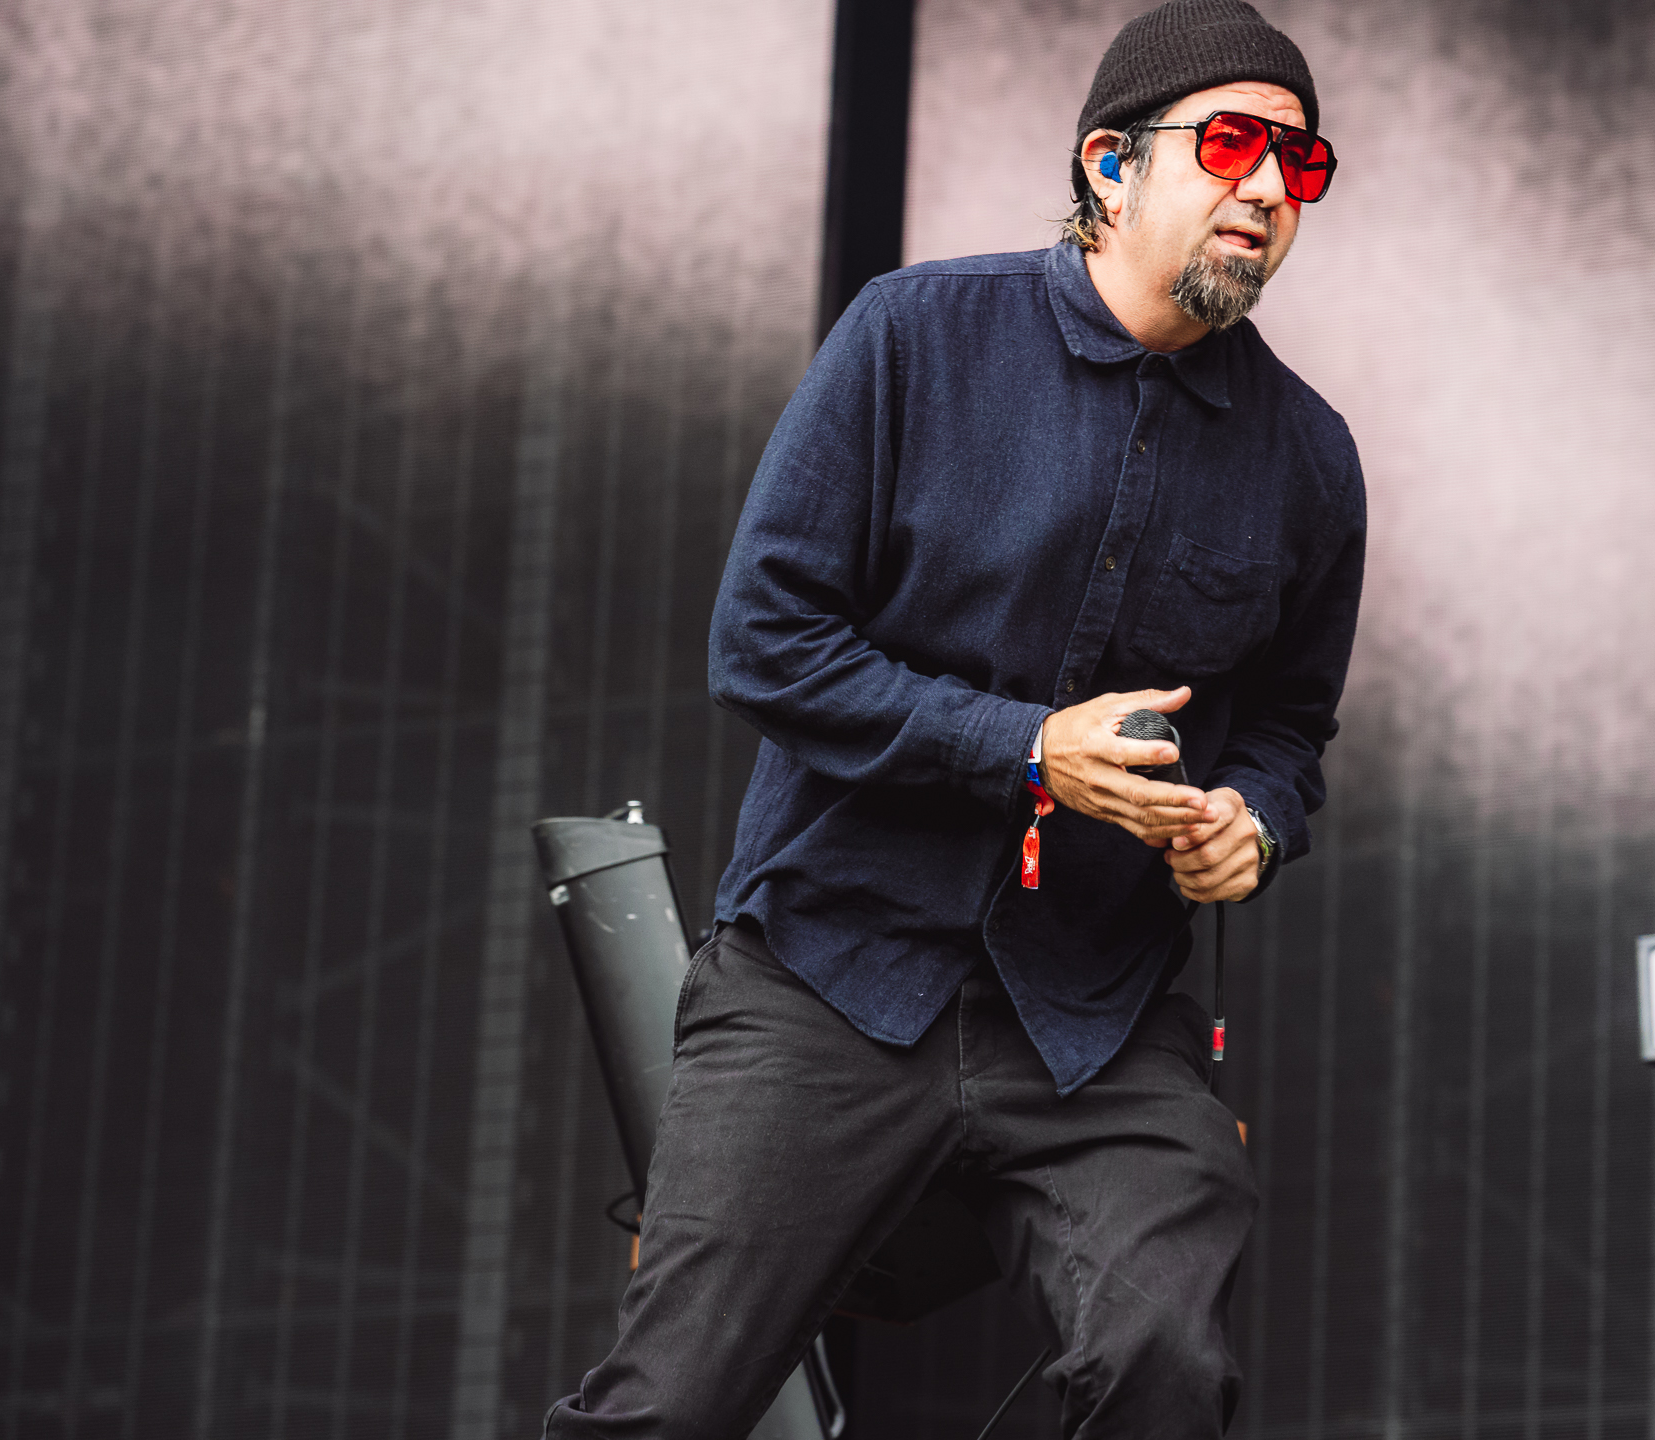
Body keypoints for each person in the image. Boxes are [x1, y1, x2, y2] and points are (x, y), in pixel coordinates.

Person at [544, 1, 1363, 1434]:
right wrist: (1028, 752)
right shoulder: (915, 334)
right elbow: (764, 642)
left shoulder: (1310, 458)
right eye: (1233, 143)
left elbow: (1292, 730)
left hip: (1095, 1022)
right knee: (670, 1406)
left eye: (1301, 164)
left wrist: (1256, 819)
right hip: (831, 973)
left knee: (1166, 1360)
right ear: (1110, 165)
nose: (1268, 187)